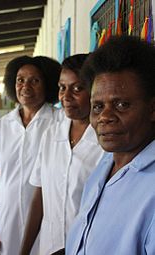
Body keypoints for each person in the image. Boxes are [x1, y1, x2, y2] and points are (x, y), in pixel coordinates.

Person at [66, 35, 155, 255]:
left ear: (152, 109)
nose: (105, 116)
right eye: (97, 106)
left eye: (121, 104)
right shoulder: (105, 165)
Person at [19, 54, 104, 255]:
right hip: (48, 246)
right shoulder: (51, 135)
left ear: (95, 90)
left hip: (90, 248)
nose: (66, 96)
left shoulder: (106, 143)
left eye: (77, 89)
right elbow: (40, 197)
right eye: (62, 87)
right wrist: (24, 250)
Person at [0, 55, 64, 255]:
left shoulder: (59, 122)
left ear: (47, 85)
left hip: (47, 218)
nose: (25, 86)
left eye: (34, 81)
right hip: (7, 217)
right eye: (20, 80)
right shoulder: (4, 125)